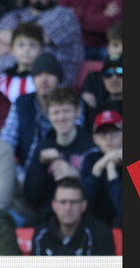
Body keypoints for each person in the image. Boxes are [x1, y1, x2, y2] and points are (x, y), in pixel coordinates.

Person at [0, 51, 83, 183]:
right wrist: (18, 175)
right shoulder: (22, 102)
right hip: (24, 172)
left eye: (50, 74)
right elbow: (6, 143)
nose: (44, 80)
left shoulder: (72, 102)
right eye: (38, 75)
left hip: (63, 171)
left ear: (59, 79)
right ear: (33, 79)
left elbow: (77, 140)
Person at [22, 86, 96, 225]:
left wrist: (78, 177)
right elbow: (31, 196)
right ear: (48, 115)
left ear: (78, 112)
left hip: (84, 217)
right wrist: (40, 166)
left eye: (66, 111)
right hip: (49, 218)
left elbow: (99, 197)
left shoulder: (91, 147)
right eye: (56, 112)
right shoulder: (43, 146)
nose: (61, 117)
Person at [31, 177, 115, 256]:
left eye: (74, 202)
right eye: (63, 202)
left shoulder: (100, 234)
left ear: (83, 205)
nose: (68, 208)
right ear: (54, 205)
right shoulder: (41, 233)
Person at [59, 0, 123, 61]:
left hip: (110, 47)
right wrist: (101, 13)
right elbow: (63, 22)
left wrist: (78, 14)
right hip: (75, 48)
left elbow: (114, 23)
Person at [80, 109, 123, 228]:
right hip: (97, 226)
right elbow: (84, 205)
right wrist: (98, 169)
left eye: (113, 132)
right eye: (103, 134)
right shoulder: (91, 158)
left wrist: (111, 172)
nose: (108, 138)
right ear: (95, 139)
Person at [0, 21, 44, 104]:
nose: (27, 50)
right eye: (21, 45)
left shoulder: (45, 80)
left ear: (42, 50)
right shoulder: (2, 81)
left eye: (32, 45)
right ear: (11, 50)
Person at [81, 55, 122, 127]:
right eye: (108, 73)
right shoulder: (95, 104)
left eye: (120, 72)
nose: (114, 78)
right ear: (103, 79)